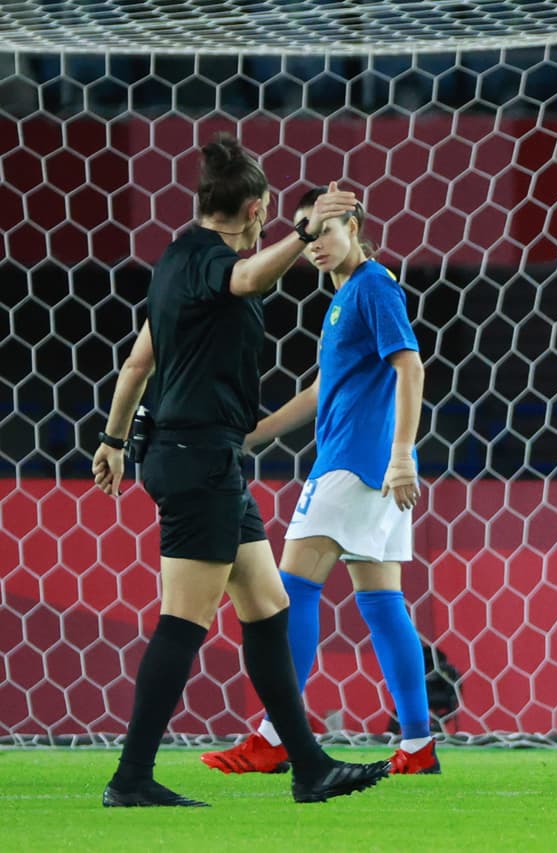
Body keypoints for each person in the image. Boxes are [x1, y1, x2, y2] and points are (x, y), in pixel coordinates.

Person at [90, 135, 389, 806]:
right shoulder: (211, 263)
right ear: (256, 209)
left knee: (267, 606)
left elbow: (140, 360)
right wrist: (304, 232)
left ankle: (308, 766)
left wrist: (112, 437)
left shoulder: (173, 261)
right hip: (195, 458)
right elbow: (251, 278)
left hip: (206, 457)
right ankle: (131, 778)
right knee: (184, 620)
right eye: (272, 215)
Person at [198, 188, 438, 777]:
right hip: (370, 465)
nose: (316, 244)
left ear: (354, 226)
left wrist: (401, 456)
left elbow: (410, 364)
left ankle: (274, 736)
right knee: (383, 604)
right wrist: (256, 434)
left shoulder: (373, 286)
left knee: (290, 594)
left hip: (356, 463)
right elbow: (322, 388)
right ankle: (417, 744)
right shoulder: (346, 296)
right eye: (307, 233)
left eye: (326, 229)